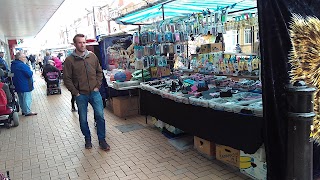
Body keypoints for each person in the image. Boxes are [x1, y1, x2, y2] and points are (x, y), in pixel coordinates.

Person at [63, 34, 109, 151]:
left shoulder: (92, 57)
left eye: (84, 42)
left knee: (100, 116)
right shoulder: (69, 60)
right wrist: (75, 92)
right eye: (80, 43)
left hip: (94, 92)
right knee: (83, 119)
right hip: (81, 95)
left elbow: (99, 72)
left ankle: (102, 140)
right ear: (75, 44)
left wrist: (97, 86)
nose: (82, 45)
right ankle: (87, 139)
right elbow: (66, 78)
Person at [11, 52, 37, 116]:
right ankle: (27, 111)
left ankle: (24, 110)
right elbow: (29, 74)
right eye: (24, 57)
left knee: (21, 99)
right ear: (20, 58)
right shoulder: (22, 65)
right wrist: (30, 71)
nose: (25, 58)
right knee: (27, 99)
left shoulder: (13, 65)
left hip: (17, 84)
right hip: (25, 84)